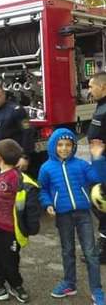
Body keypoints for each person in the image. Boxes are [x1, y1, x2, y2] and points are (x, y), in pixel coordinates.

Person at [38, 128, 106, 304]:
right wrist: (48, 204)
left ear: (74, 146)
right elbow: (43, 190)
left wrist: (97, 157)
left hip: (83, 214)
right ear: (53, 146)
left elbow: (99, 177)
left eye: (68, 144)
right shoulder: (46, 168)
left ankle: (97, 290)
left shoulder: (81, 165)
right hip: (63, 216)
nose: (64, 148)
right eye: (60, 145)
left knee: (90, 253)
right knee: (67, 251)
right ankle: (69, 283)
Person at [0, 139, 41, 303]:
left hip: (12, 231)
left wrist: (32, 228)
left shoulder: (23, 181)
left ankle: (16, 285)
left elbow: (32, 206)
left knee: (10, 259)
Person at [86, 71, 106, 263]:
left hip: (103, 168)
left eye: (92, 86)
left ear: (104, 87)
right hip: (99, 165)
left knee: (101, 206)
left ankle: (104, 252)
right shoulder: (100, 106)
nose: (89, 90)